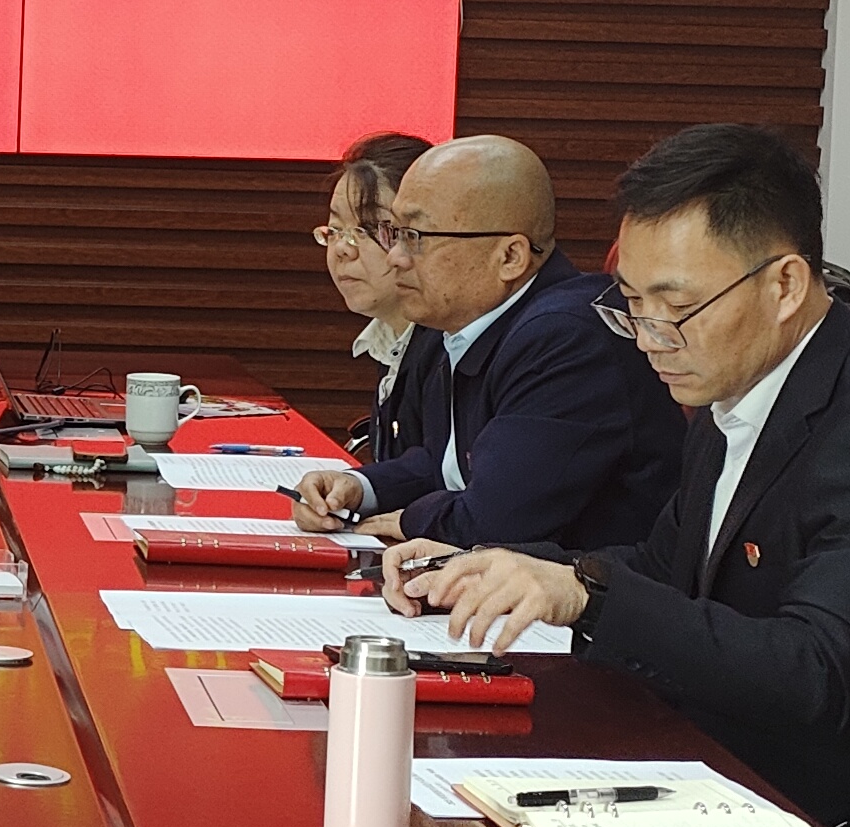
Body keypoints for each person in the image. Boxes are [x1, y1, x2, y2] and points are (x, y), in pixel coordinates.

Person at [416, 122, 850, 825]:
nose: (650, 338)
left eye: (679, 308)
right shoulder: (738, 396)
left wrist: (588, 597)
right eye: (633, 305)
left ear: (784, 285)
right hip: (742, 774)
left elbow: (818, 671)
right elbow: (666, 569)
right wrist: (495, 568)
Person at [289, 135, 683, 555]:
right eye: (394, 233)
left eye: (416, 237)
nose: (395, 257)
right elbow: (448, 465)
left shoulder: (567, 338)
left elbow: (496, 522)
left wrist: (406, 519)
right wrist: (358, 487)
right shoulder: (470, 322)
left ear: (510, 257)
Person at [314, 130, 435, 471]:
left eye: (367, 229)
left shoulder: (452, 346)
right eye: (335, 229)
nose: (342, 249)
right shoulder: (388, 338)